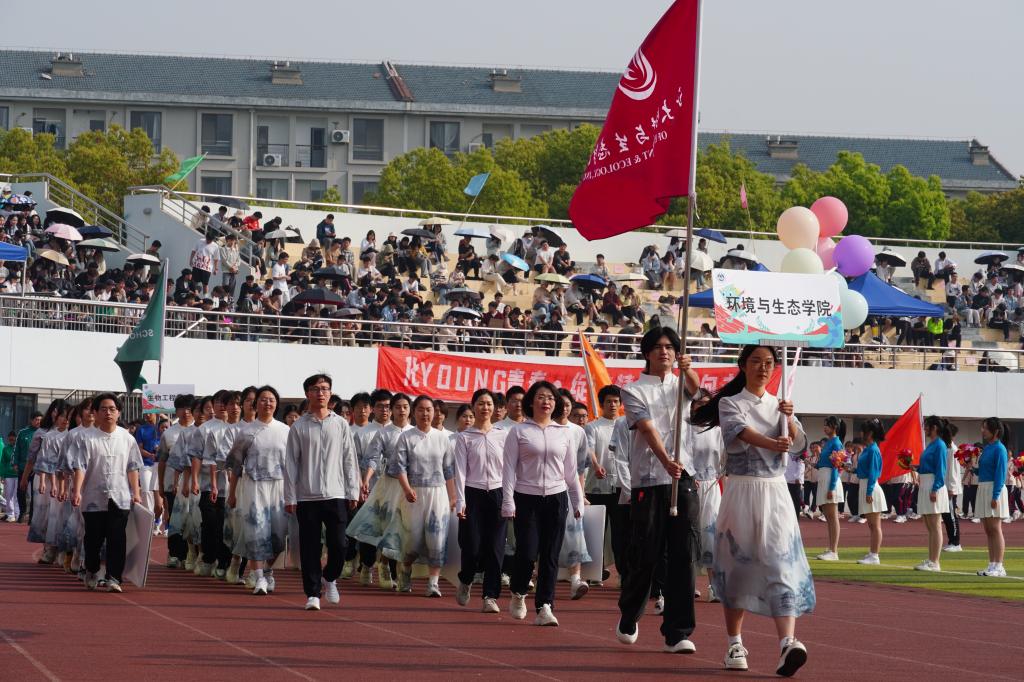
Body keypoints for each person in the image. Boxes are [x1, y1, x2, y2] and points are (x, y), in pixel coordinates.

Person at [692, 345, 813, 676]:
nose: (763, 367)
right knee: (738, 569)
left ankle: (787, 643)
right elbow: (740, 433)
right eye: (756, 361)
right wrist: (773, 443)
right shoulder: (730, 403)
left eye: (769, 363)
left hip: (776, 492)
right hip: (742, 490)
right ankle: (734, 643)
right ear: (743, 365)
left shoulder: (781, 405)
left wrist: (789, 420)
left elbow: (799, 445)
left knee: (782, 564)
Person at [615, 327, 700, 654]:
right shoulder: (633, 390)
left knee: (684, 556)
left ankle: (677, 632)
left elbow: (696, 390)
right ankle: (630, 612)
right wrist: (666, 461)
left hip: (684, 479)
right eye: (658, 347)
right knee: (646, 555)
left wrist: (688, 369)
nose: (664, 352)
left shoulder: (681, 385)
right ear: (647, 353)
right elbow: (647, 429)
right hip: (650, 481)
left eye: (670, 347)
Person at [502, 381, 583, 627]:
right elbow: (508, 469)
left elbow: (571, 471)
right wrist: (508, 500)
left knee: (550, 554)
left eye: (550, 397)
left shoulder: (564, 433)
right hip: (526, 498)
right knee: (527, 552)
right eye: (540, 396)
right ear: (531, 402)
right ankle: (518, 592)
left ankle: (545, 606)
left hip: (557, 498)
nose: (546, 401)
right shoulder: (519, 431)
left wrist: (577, 500)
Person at [285, 374, 361, 610]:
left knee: (339, 544)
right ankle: (313, 593)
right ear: (307, 393)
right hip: (306, 496)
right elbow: (291, 463)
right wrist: (290, 496)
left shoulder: (340, 424)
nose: (321, 393)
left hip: (336, 494)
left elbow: (349, 458)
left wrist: (353, 491)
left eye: (325, 389)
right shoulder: (299, 426)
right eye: (316, 389)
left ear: (330, 393)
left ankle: (330, 577)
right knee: (309, 547)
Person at [68, 394, 143, 592]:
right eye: (103, 409)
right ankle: (91, 569)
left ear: (119, 413)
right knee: (93, 539)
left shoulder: (127, 439)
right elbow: (80, 466)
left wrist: (136, 492)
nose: (108, 413)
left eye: (112, 409)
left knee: (117, 538)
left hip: (120, 497)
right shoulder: (87, 439)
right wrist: (77, 491)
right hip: (93, 498)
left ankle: (114, 578)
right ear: (95, 413)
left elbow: (133, 467)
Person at [389, 395, 455, 597]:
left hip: (438, 493)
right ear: (414, 412)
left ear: (434, 412)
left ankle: (433, 583)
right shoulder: (406, 437)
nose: (425, 414)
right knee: (413, 539)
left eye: (429, 409)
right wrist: (407, 489)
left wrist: (453, 496)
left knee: (437, 538)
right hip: (414, 493)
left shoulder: (442, 438)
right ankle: (405, 570)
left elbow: (449, 470)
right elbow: (399, 467)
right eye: (420, 409)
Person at [227, 386, 289, 595]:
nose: (267, 403)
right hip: (254, 486)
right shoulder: (246, 431)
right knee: (256, 532)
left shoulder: (286, 431)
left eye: (271, 399)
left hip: (279, 487)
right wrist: (232, 493)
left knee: (278, 537)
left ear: (276, 404)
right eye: (263, 399)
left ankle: (269, 571)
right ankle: (259, 577)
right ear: (256, 404)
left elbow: (294, 465)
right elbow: (236, 466)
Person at [454, 389, 509, 612]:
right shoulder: (464, 437)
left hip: (497, 493)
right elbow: (460, 471)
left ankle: (490, 596)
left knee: (496, 548)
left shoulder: (503, 435)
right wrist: (460, 500)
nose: (485, 408)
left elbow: (510, 469)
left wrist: (509, 498)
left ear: (494, 408)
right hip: (472, 494)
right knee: (472, 546)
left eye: (489, 404)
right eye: (480, 403)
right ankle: (466, 579)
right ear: (473, 406)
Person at [583, 385, 629, 585]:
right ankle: (594, 573)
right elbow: (590, 449)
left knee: (621, 534)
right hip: (596, 488)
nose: (612, 405)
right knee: (595, 533)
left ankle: (623, 574)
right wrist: (596, 465)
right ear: (601, 404)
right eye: (608, 401)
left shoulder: (627, 425)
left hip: (620, 487)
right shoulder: (593, 427)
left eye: (616, 401)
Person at [690, 390, 725, 603]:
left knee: (711, 535)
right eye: (698, 403)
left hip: (712, 487)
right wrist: (688, 476)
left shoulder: (717, 431)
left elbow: (725, 463)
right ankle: (689, 584)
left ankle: (714, 587)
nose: (702, 406)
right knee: (689, 534)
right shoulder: (684, 429)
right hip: (689, 487)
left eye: (706, 403)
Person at [914, 416, 951, 572]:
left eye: (927, 426)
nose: (925, 429)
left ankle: (935, 562)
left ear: (934, 427)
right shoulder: (931, 445)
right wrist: (915, 467)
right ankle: (931, 559)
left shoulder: (940, 445)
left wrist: (935, 488)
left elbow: (940, 469)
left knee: (935, 525)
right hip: (925, 483)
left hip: (933, 485)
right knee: (929, 525)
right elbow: (926, 466)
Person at [975, 417, 1009, 577]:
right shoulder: (987, 448)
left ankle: (999, 566)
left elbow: (1000, 474)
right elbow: (983, 470)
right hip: (983, 487)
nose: (982, 431)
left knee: (995, 528)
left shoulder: (1000, 449)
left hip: (994, 489)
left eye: (985, 428)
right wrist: (971, 468)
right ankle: (992, 564)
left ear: (995, 431)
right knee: (988, 530)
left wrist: (995, 496)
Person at [855, 420, 887, 565]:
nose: (861, 433)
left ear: (870, 433)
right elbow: (864, 469)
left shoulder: (873, 449)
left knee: (875, 525)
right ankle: (872, 552)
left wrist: (869, 492)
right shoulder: (868, 449)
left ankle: (875, 555)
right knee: (871, 525)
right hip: (865, 485)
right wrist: (851, 469)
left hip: (871, 487)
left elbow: (873, 473)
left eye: (864, 431)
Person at [814, 417, 847, 561]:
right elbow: (824, 463)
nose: (824, 427)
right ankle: (831, 548)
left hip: (829, 480)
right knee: (828, 516)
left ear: (834, 427)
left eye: (827, 425)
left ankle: (834, 551)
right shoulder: (829, 442)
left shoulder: (836, 443)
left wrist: (831, 487)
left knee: (832, 517)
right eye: (824, 425)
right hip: (823, 477)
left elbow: (836, 467)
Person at [942, 424, 963, 552]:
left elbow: (953, 471)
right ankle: (951, 541)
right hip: (944, 487)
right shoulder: (946, 449)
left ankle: (956, 543)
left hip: (950, 488)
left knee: (951, 515)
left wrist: (951, 488)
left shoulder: (953, 450)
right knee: (946, 516)